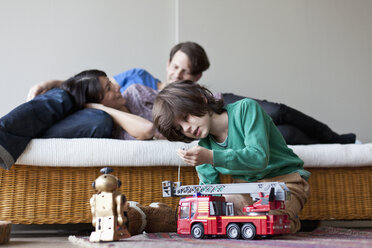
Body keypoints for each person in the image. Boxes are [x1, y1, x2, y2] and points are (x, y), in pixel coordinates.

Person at [27, 42, 356, 145]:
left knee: (276, 111)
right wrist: (54, 84)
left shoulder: (137, 84)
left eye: (186, 72)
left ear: (197, 77)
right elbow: (88, 84)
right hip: (196, 115)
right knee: (284, 132)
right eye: (176, 68)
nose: (178, 74)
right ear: (168, 64)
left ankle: (336, 141)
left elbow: (102, 83)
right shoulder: (127, 84)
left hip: (211, 104)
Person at [152, 80, 311, 233]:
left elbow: (259, 157)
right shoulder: (204, 150)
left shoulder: (246, 109)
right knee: (222, 217)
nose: (187, 128)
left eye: (186, 117)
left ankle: (291, 221)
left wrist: (212, 157)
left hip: (285, 183)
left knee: (268, 223)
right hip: (246, 190)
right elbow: (210, 193)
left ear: (202, 99)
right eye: (180, 129)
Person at [0, 69, 155, 170]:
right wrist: (56, 84)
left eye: (110, 84)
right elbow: (80, 88)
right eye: (109, 87)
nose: (117, 87)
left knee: (101, 119)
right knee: (62, 96)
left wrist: (101, 108)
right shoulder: (89, 104)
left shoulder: (134, 95)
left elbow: (147, 129)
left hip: (97, 117)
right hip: (70, 110)